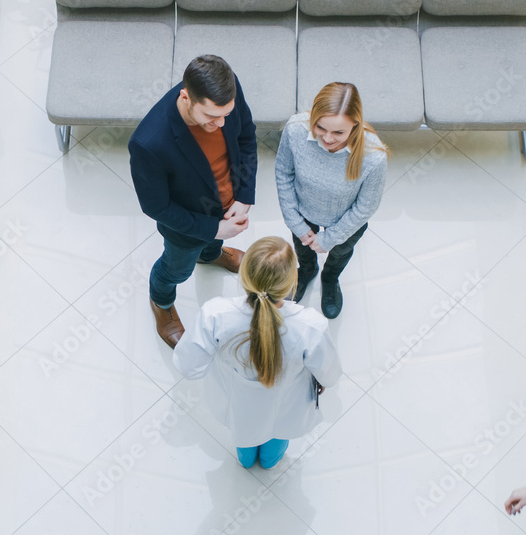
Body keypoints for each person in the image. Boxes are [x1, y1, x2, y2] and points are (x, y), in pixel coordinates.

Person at [173, 236, 341, 469]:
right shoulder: (311, 325)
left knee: (244, 441)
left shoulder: (215, 314)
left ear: (245, 275)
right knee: (276, 441)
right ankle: (270, 463)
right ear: (291, 282)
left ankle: (246, 461)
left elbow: (189, 367)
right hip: (287, 405)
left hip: (239, 406)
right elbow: (330, 375)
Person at [130, 54, 258, 349]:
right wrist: (213, 229)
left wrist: (244, 194)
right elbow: (156, 207)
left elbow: (246, 137)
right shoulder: (148, 143)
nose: (222, 122)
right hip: (187, 227)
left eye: (226, 114)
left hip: (226, 203)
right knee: (176, 269)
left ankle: (211, 254)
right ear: (186, 98)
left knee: (210, 244)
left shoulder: (226, 95)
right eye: (212, 118)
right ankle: (161, 302)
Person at [275, 82, 388, 319]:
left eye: (338, 132)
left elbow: (365, 206)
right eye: (320, 127)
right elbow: (284, 173)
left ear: (355, 125)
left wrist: (330, 238)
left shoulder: (373, 156)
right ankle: (306, 273)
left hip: (345, 220)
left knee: (340, 253)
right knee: (302, 250)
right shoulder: (295, 130)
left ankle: (330, 279)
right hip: (303, 211)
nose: (327, 138)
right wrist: (295, 222)